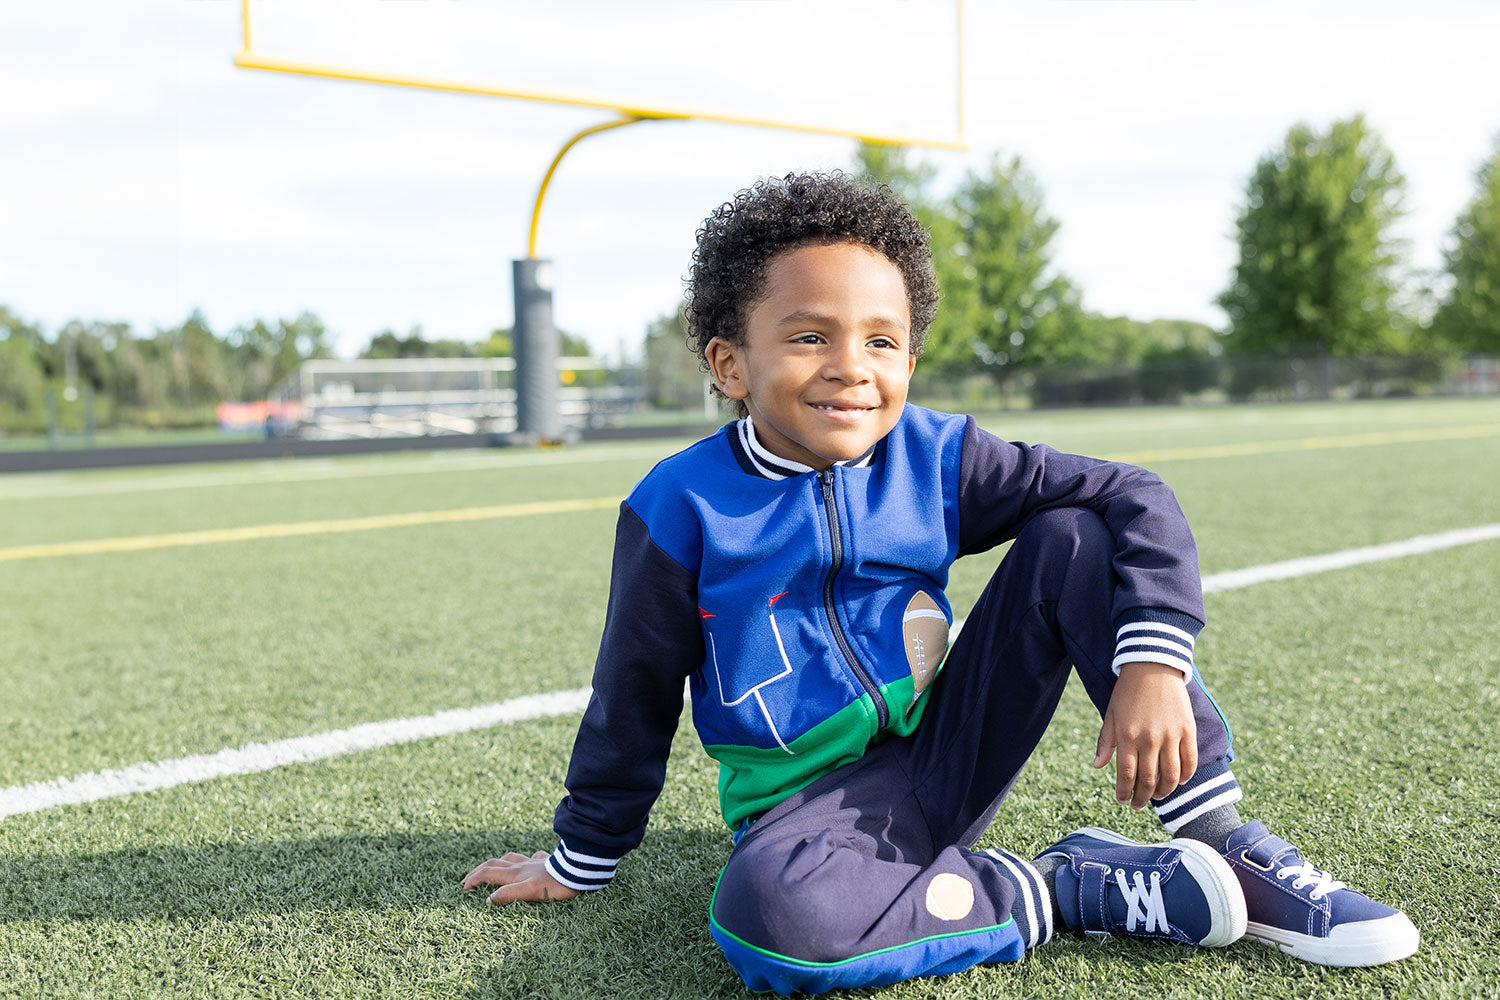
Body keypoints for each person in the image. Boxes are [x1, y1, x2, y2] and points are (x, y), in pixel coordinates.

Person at [461, 172, 1418, 994]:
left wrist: (1156, 664)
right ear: (730, 363)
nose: (852, 369)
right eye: (808, 338)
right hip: (811, 818)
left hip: (954, 750)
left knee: (1073, 534)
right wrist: (583, 857)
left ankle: (1221, 839)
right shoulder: (681, 506)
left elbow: (1136, 494)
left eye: (883, 342)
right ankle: (1064, 886)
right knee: (769, 921)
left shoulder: (935, 457)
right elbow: (630, 692)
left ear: (912, 358)